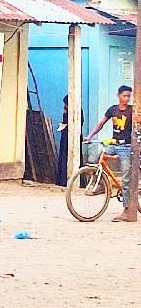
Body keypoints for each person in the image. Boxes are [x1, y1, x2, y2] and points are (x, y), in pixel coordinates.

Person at [84, 85, 135, 221]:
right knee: (95, 156)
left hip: (126, 146)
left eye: (128, 96)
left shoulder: (132, 110)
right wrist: (90, 136)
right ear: (118, 95)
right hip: (113, 144)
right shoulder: (112, 109)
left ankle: (126, 210)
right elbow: (101, 123)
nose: (126, 98)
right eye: (124, 95)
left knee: (126, 179)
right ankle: (100, 184)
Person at [56, 95, 84, 187]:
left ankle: (72, 181)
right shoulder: (66, 111)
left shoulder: (78, 112)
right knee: (64, 158)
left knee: (74, 158)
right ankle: (62, 180)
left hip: (74, 137)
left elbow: (78, 125)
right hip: (65, 137)